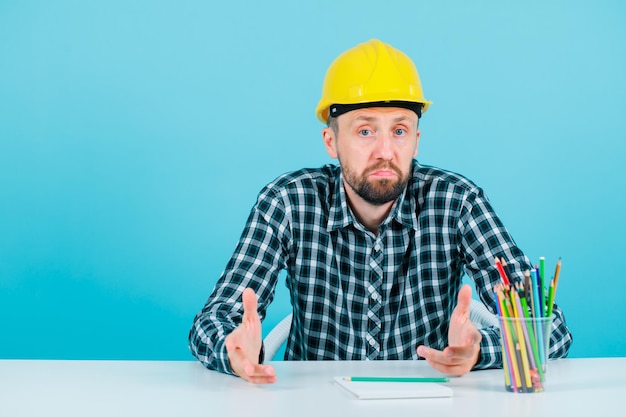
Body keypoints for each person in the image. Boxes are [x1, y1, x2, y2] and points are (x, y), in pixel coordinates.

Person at [188, 39, 573, 384]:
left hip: (431, 401)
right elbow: (211, 322)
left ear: (417, 141)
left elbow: (551, 328)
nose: (386, 151)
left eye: (400, 131)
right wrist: (233, 348)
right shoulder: (287, 202)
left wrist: (478, 351)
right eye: (365, 131)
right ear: (331, 142)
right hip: (312, 403)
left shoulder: (457, 202)